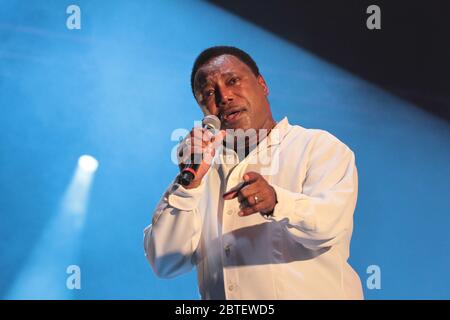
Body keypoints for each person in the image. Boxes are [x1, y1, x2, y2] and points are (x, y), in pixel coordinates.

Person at [144, 46, 363, 299]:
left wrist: (277, 202)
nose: (224, 97)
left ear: (262, 85)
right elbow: (165, 261)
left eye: (233, 81)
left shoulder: (317, 146)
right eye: (209, 93)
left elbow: (330, 226)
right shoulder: (200, 173)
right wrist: (188, 187)